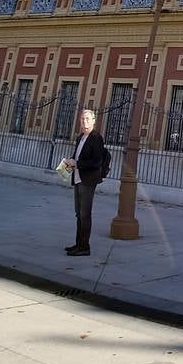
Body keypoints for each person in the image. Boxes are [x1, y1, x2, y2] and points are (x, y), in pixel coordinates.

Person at [59, 109, 107, 257]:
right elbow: (76, 156)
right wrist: (69, 162)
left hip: (88, 180)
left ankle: (85, 247)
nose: (84, 122)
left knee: (85, 214)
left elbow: (97, 161)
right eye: (82, 119)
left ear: (93, 121)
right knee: (78, 214)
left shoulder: (96, 138)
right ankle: (78, 244)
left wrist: (77, 163)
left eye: (87, 119)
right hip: (78, 179)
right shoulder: (80, 137)